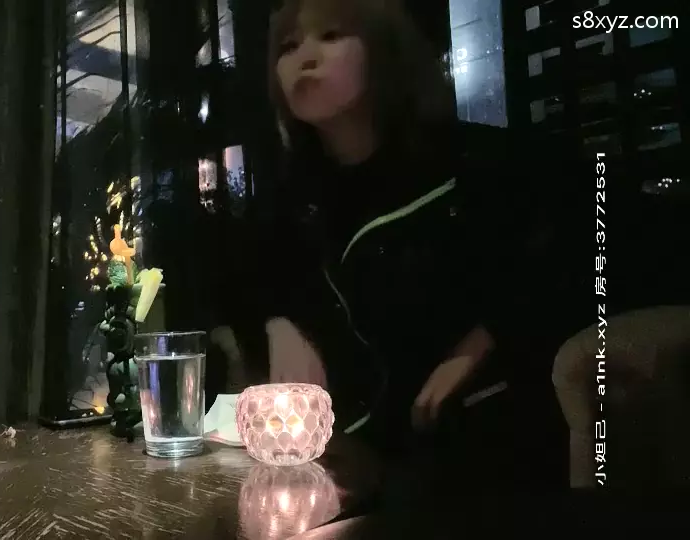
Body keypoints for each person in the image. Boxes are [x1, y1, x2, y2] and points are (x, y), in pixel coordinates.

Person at [212, 0, 575, 492]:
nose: (305, 58)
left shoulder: (468, 164)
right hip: (351, 465)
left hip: (482, 452)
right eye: (289, 47)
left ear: (383, 51)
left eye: (331, 36)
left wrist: (482, 342)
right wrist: (280, 323)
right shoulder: (292, 201)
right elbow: (241, 285)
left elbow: (574, 248)